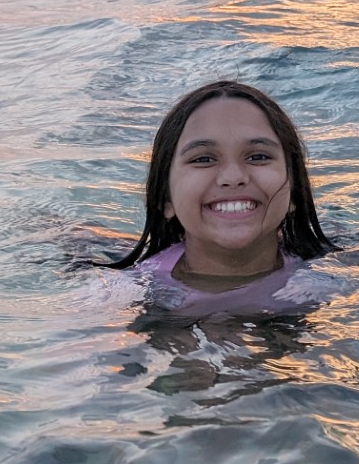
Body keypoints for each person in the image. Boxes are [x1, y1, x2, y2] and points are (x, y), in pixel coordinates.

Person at [106, 81, 341, 319]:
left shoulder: (339, 271)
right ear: (166, 198)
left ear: (295, 191)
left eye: (258, 156)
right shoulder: (133, 295)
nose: (233, 177)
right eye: (203, 159)